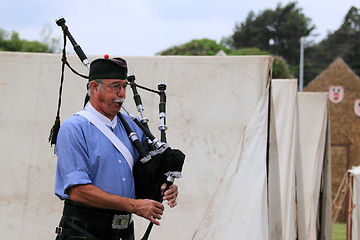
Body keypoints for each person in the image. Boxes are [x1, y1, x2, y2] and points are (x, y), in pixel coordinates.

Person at [54, 56, 179, 240]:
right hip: (83, 231)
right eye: (115, 86)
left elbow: (145, 173)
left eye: (124, 87)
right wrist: (134, 206)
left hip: (124, 231)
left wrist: (163, 186)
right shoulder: (74, 128)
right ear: (95, 87)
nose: (122, 94)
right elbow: (78, 190)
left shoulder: (134, 127)